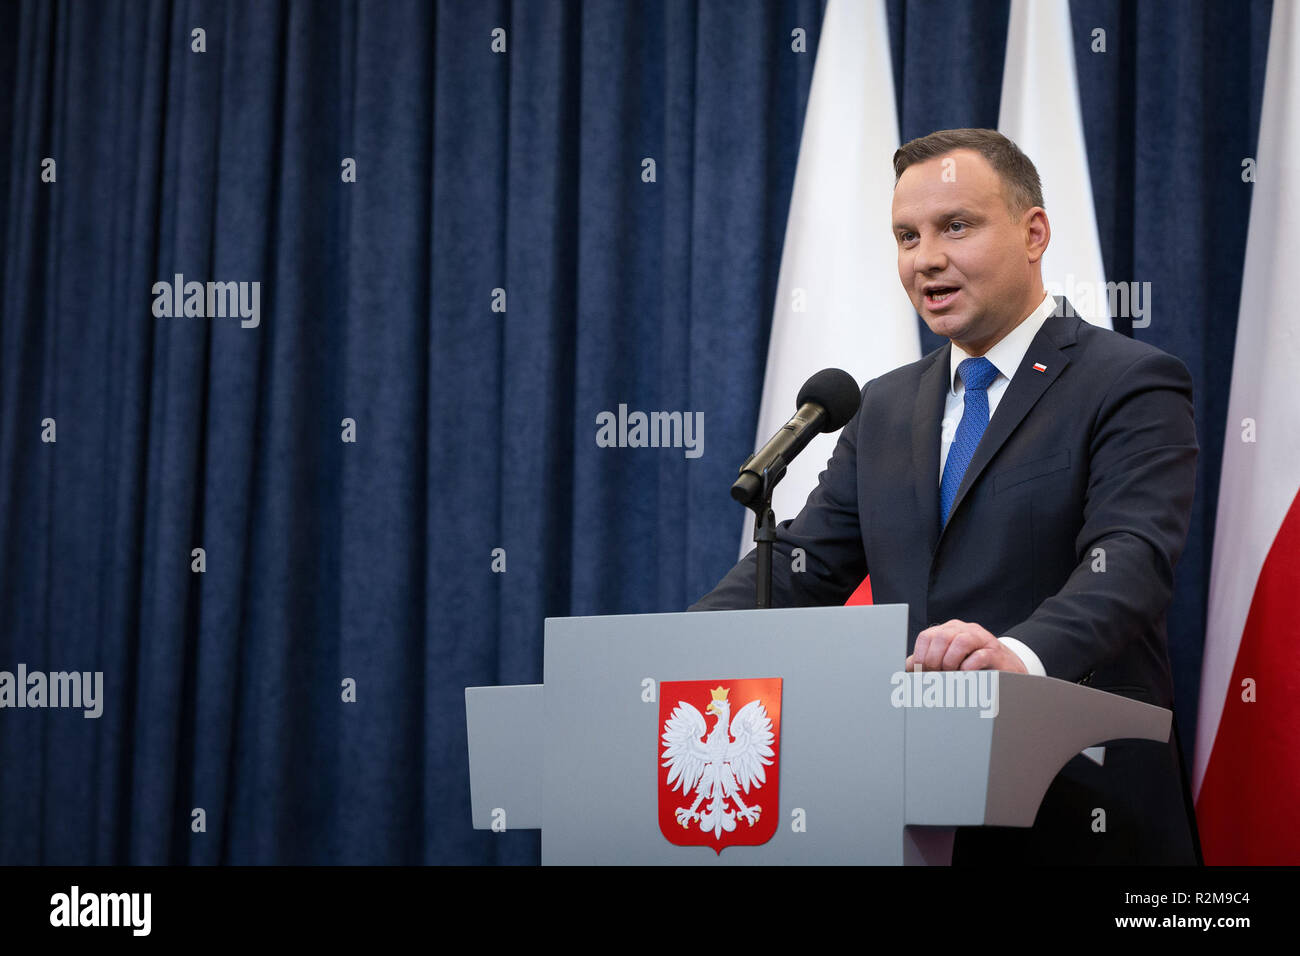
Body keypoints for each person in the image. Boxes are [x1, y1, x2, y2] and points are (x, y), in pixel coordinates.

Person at [690, 128, 1200, 864]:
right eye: (906, 235)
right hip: (917, 812)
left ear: (1034, 233)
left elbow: (1129, 562)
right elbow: (801, 566)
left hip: (1085, 812)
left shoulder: (1128, 382)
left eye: (955, 226)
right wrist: (668, 653)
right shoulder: (885, 407)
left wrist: (1016, 656)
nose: (925, 257)